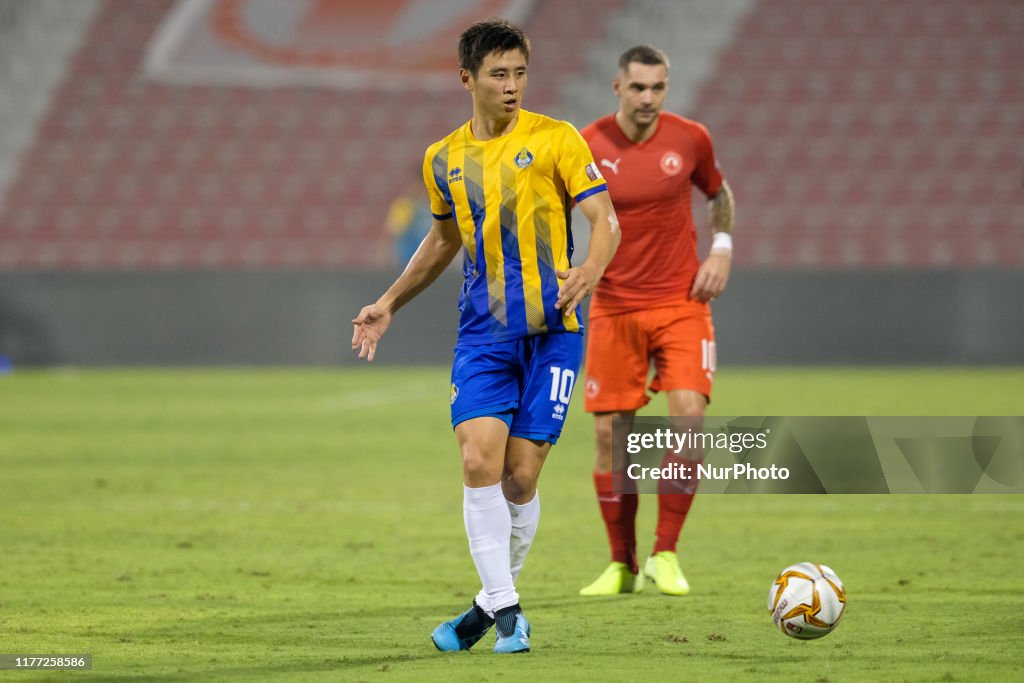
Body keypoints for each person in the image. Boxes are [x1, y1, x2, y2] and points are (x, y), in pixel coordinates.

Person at [351, 19, 620, 653]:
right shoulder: (443, 159)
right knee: (478, 461)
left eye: (520, 72)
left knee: (520, 479)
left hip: (554, 330)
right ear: (467, 79)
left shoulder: (557, 138)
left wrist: (590, 268)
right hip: (483, 335)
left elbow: (604, 218)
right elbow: (443, 239)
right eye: (499, 74)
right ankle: (507, 614)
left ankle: (483, 609)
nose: (512, 85)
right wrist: (388, 302)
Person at [577, 45, 735, 597]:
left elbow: (718, 192)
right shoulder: (587, 145)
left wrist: (721, 250)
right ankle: (621, 565)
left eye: (658, 87)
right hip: (614, 305)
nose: (648, 97)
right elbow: (551, 207)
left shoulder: (690, 138)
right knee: (610, 437)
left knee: (689, 418)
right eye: (638, 87)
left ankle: (664, 553)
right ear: (617, 87)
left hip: (680, 303)